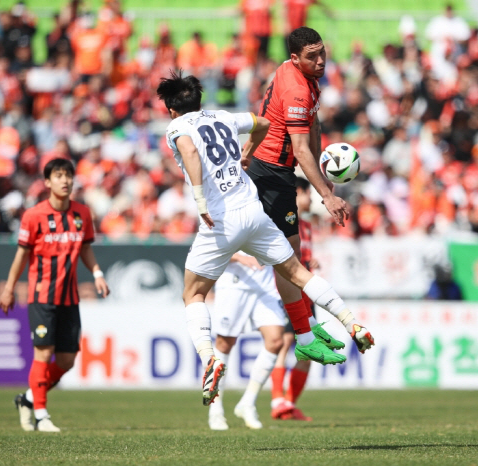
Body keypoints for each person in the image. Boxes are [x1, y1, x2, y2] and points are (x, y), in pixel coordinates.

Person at [156, 70, 374, 406]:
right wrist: (248, 151)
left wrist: (200, 201)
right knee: (298, 272)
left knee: (193, 293)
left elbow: (191, 154)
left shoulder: (176, 127)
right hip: (253, 211)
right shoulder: (224, 116)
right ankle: (352, 323)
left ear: (172, 110)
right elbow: (262, 124)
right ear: (200, 100)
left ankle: (209, 359)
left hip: (220, 221)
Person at [241, 27, 373, 361]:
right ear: (295, 58)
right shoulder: (299, 89)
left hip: (272, 168)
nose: (320, 61)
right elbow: (300, 149)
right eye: (312, 56)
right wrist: (327, 197)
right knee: (287, 260)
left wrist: (325, 182)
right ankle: (302, 333)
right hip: (271, 173)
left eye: (322, 53)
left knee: (291, 256)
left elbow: (312, 128)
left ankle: (309, 324)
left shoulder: (296, 74)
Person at [0, 158, 110, 432]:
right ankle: (41, 415)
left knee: (67, 360)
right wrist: (9, 288)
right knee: (43, 352)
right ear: (47, 182)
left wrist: (97, 273)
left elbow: (85, 248)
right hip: (42, 296)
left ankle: (27, 398)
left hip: (70, 297)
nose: (65, 180)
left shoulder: (82, 213)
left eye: (68, 175)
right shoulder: (34, 215)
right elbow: (22, 255)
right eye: (59, 175)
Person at [207, 252, 285, 430]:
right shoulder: (220, 222)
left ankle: (248, 402)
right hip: (234, 283)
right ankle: (215, 410)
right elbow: (214, 245)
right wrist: (240, 257)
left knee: (276, 340)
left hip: (264, 283)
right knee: (224, 343)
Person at [271, 176, 324, 421]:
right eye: (307, 194)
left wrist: (310, 264)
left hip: (307, 293)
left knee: (310, 350)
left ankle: (289, 404)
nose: (310, 199)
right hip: (289, 291)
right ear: (297, 195)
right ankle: (277, 400)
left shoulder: (307, 226)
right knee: (283, 341)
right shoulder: (284, 223)